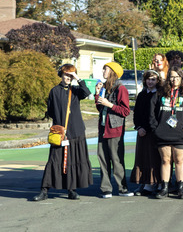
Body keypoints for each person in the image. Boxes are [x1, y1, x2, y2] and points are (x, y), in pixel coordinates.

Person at [32, 64, 93, 201]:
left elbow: (87, 93)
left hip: (76, 131)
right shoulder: (54, 91)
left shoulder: (76, 90)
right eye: (66, 74)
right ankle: (44, 190)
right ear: (61, 75)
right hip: (61, 133)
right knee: (54, 160)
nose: (68, 77)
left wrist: (78, 78)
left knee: (74, 160)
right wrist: (60, 126)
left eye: (71, 75)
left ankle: (72, 190)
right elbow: (51, 111)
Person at [150, 66, 183, 199]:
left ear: (181, 78)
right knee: (165, 160)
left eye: (177, 77)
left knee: (179, 160)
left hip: (181, 134)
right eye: (172, 76)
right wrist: (156, 129)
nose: (174, 79)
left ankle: (181, 188)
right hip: (163, 133)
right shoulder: (160, 93)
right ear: (168, 78)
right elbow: (151, 113)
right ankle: (164, 187)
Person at [95, 61, 132, 198]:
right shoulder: (105, 87)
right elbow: (100, 108)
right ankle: (106, 189)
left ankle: (122, 188)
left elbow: (125, 111)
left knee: (116, 160)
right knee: (103, 160)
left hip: (115, 129)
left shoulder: (120, 89)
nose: (103, 71)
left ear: (112, 72)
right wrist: (97, 94)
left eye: (105, 69)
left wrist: (109, 104)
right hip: (103, 128)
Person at [130, 69, 162, 196]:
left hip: (154, 132)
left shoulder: (159, 95)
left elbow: (157, 115)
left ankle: (157, 183)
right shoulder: (142, 95)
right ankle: (145, 183)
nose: (150, 81)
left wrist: (151, 129)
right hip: (142, 132)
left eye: (153, 79)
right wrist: (139, 128)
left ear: (157, 80)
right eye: (148, 79)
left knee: (155, 158)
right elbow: (136, 114)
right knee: (143, 158)